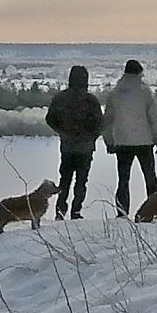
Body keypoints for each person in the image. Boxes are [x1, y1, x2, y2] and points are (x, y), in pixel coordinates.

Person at [102, 59, 157, 217]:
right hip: (144, 142)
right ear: (139, 73)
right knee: (150, 177)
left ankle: (122, 214)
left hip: (122, 142)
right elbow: (154, 118)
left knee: (123, 181)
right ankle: (154, 210)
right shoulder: (146, 92)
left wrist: (109, 141)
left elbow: (107, 120)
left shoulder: (115, 93)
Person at [45, 65, 103, 220]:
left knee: (64, 180)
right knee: (81, 181)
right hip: (85, 148)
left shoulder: (60, 98)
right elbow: (99, 123)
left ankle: (60, 210)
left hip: (67, 147)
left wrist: (63, 133)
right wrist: (91, 137)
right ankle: (76, 211)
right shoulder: (91, 100)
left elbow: (50, 119)